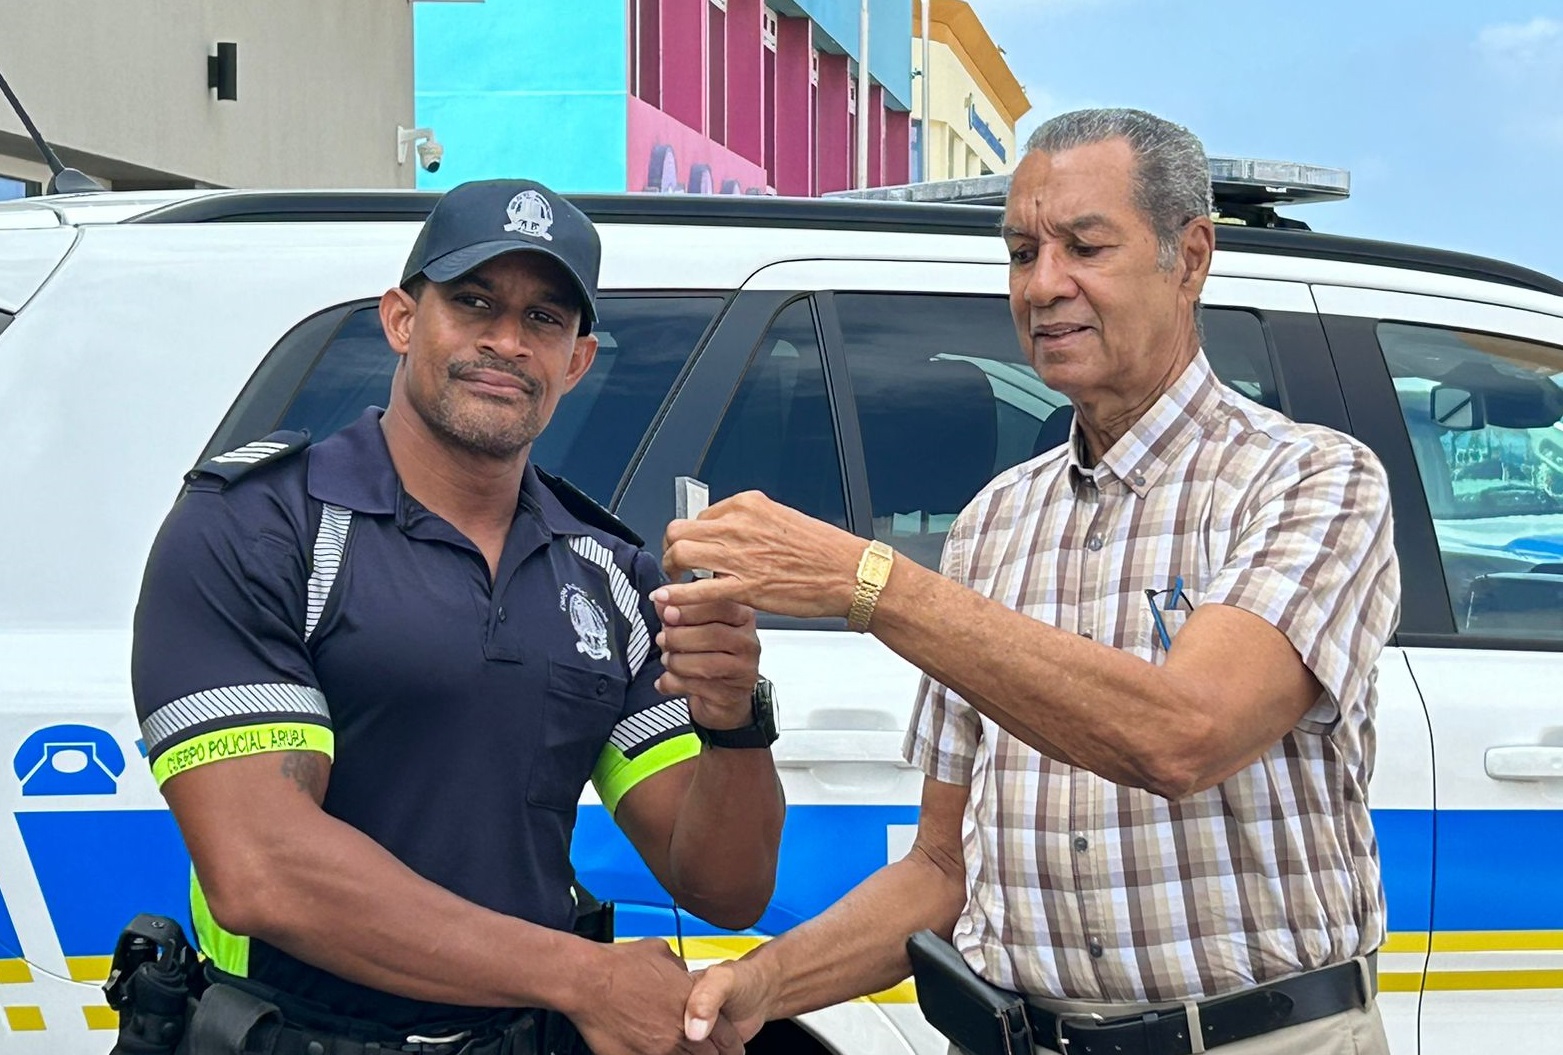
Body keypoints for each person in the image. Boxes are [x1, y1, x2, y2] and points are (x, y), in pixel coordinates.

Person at [659, 109, 1400, 1055]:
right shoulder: (995, 524)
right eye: (1020, 253)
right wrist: (761, 982)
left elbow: (1184, 734)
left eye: (1085, 246)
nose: (1045, 285)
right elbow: (942, 864)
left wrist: (866, 578)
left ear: (1192, 256)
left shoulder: (1310, 479)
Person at [130, 179, 785, 1055]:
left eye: (544, 319)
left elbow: (722, 885)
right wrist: (583, 977)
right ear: (402, 319)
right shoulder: (259, 525)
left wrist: (733, 719)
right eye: (473, 301)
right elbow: (263, 871)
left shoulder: (611, 574)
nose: (505, 341)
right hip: (296, 1037)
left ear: (577, 360)